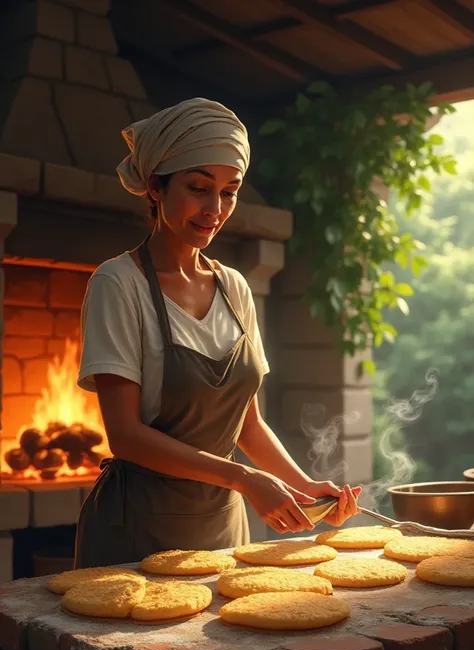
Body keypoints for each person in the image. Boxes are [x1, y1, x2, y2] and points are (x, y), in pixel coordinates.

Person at [74, 97, 361, 568]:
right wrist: (245, 480)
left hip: (223, 529)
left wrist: (305, 485)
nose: (215, 208)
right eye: (198, 187)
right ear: (155, 188)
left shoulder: (235, 287)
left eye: (229, 191)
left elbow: (246, 422)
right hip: (135, 534)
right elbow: (125, 435)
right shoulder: (117, 284)